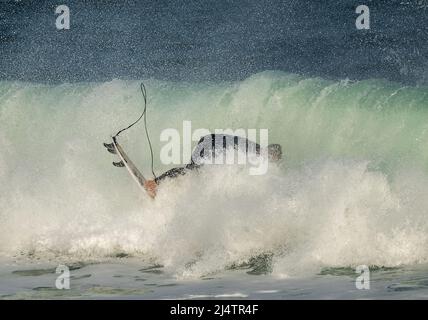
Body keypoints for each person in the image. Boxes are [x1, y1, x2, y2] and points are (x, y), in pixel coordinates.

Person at [143, 134, 282, 198]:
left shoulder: (256, 154)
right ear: (268, 152)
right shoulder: (254, 153)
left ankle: (166, 190)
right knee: (191, 170)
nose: (272, 161)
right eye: (273, 157)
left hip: (211, 143)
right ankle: (154, 183)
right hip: (209, 143)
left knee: (197, 173)